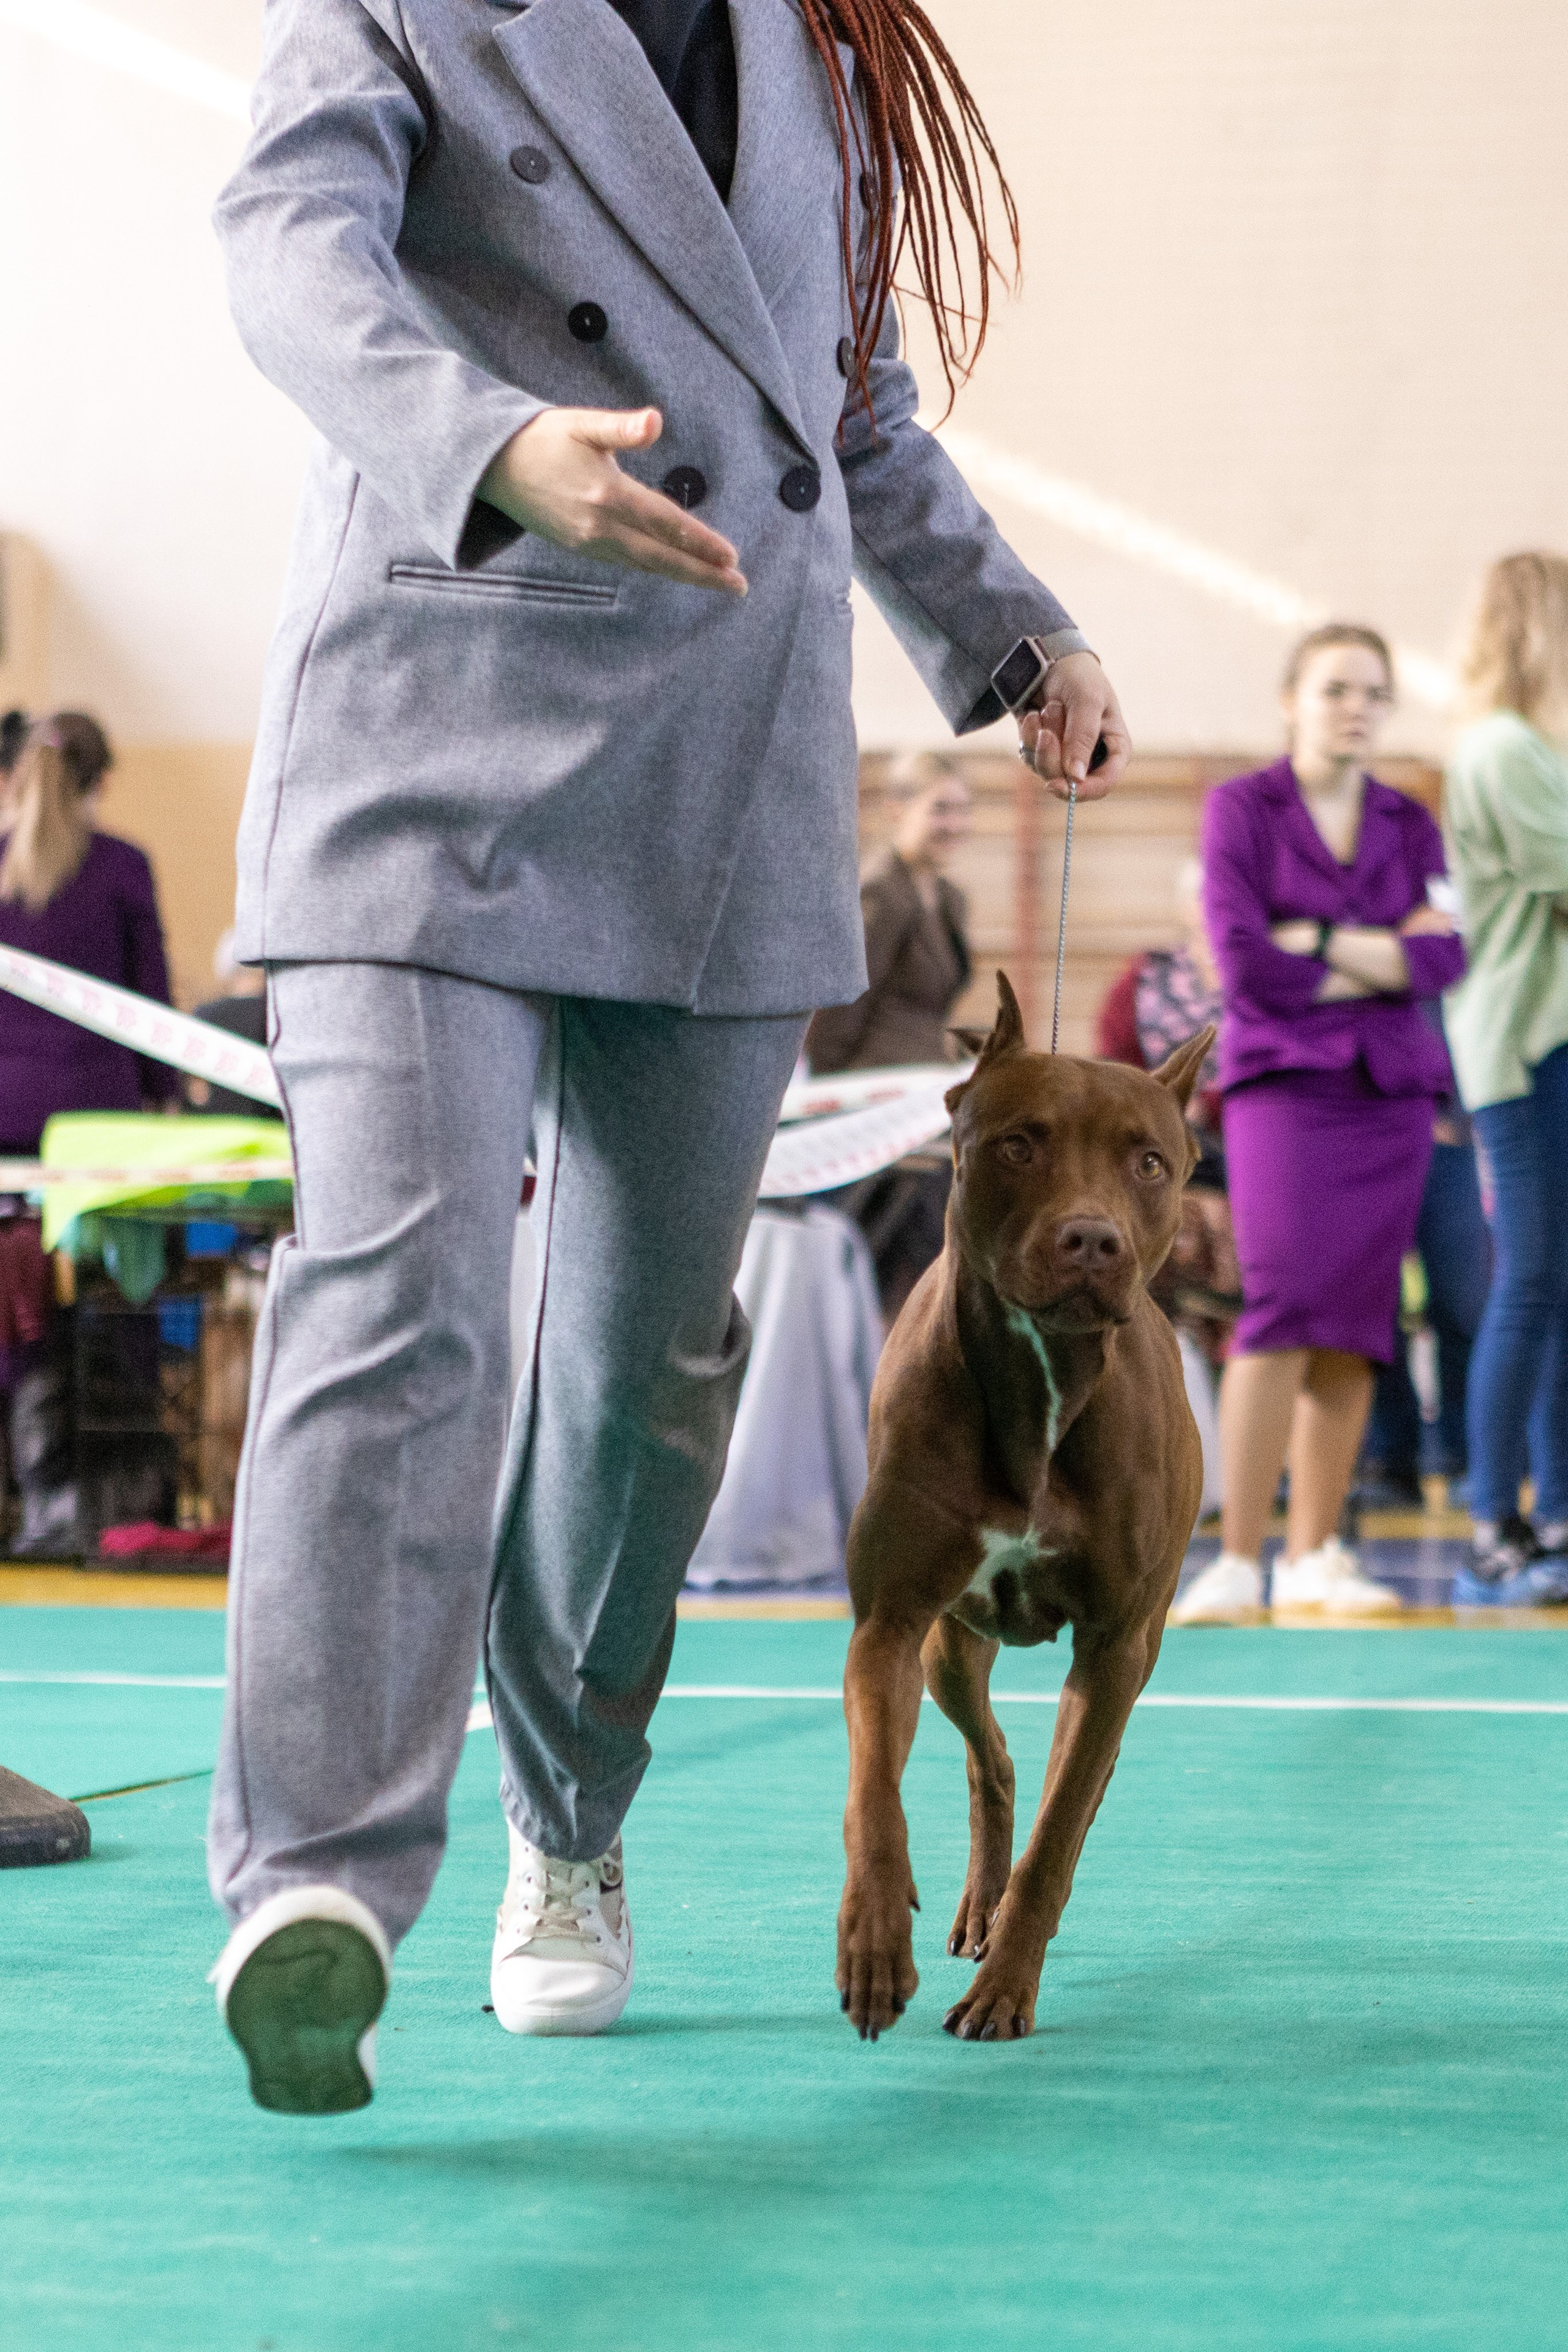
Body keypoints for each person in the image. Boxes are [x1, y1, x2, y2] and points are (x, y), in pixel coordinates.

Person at [205, 0, 1131, 2112]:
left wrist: (1019, 631)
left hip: (723, 769)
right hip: (423, 725)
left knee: (645, 1372)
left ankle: (567, 1816)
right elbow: (287, 245)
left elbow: (842, 403)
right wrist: (481, 437)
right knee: (403, 1294)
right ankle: (315, 1883)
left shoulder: (830, 53)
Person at [1171, 626, 1464, 1624]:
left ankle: (1313, 1555)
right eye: (1337, 688)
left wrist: (1322, 942)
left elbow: (1445, 959)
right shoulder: (1240, 809)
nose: (1358, 708)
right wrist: (1380, 955)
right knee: (1284, 1303)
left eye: (1375, 693)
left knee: (1356, 1319)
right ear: (1291, 699)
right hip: (1286, 1092)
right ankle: (1235, 1561)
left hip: (1391, 1095)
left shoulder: (1409, 820)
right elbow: (1246, 967)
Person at [0, 713, 176, 1554]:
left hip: (6, 1125)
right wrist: (166, 1102)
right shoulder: (123, 866)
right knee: (119, 1290)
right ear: (100, 781)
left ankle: (25, 1494)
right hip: (100, 1127)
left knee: (12, 1296)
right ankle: (125, 1499)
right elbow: (151, 1006)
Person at [1441, 553, 1568, 1604]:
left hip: (1542, 1041)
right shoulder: (1503, 747)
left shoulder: (1529, 746)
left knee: (1556, 1284)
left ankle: (1556, 1510)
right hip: (1526, 1046)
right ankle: (1493, 1520)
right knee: (1529, 1280)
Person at [805, 753, 973, 1314]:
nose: (955, 824)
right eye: (941, 809)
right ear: (898, 809)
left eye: (963, 810)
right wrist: (838, 1105)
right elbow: (838, 1011)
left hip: (924, 1101)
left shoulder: (948, 898)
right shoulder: (880, 893)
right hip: (877, 1110)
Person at [1096, 859, 1237, 1512]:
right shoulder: (1145, 978)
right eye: (1201, 898)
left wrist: (1213, 1106)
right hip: (1156, 1158)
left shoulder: (1257, 974)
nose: (1213, 907)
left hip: (1241, 1154)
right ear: (1183, 908)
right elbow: (1111, 1067)